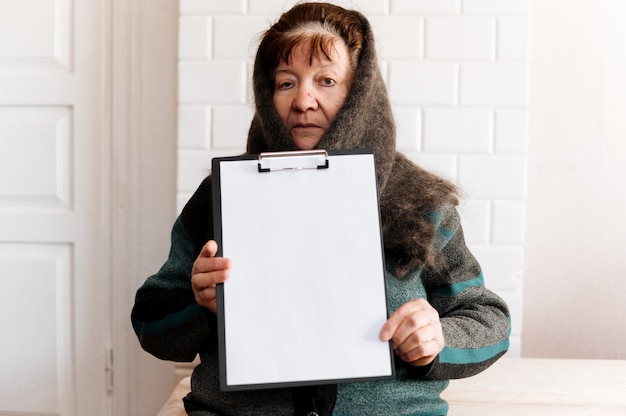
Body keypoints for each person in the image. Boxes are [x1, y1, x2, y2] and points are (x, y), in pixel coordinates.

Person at [131, 2, 510, 415]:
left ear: (358, 94)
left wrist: (439, 339)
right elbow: (149, 321)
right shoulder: (219, 197)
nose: (304, 100)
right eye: (286, 82)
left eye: (326, 80)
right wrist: (199, 305)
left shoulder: (420, 199)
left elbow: (490, 320)